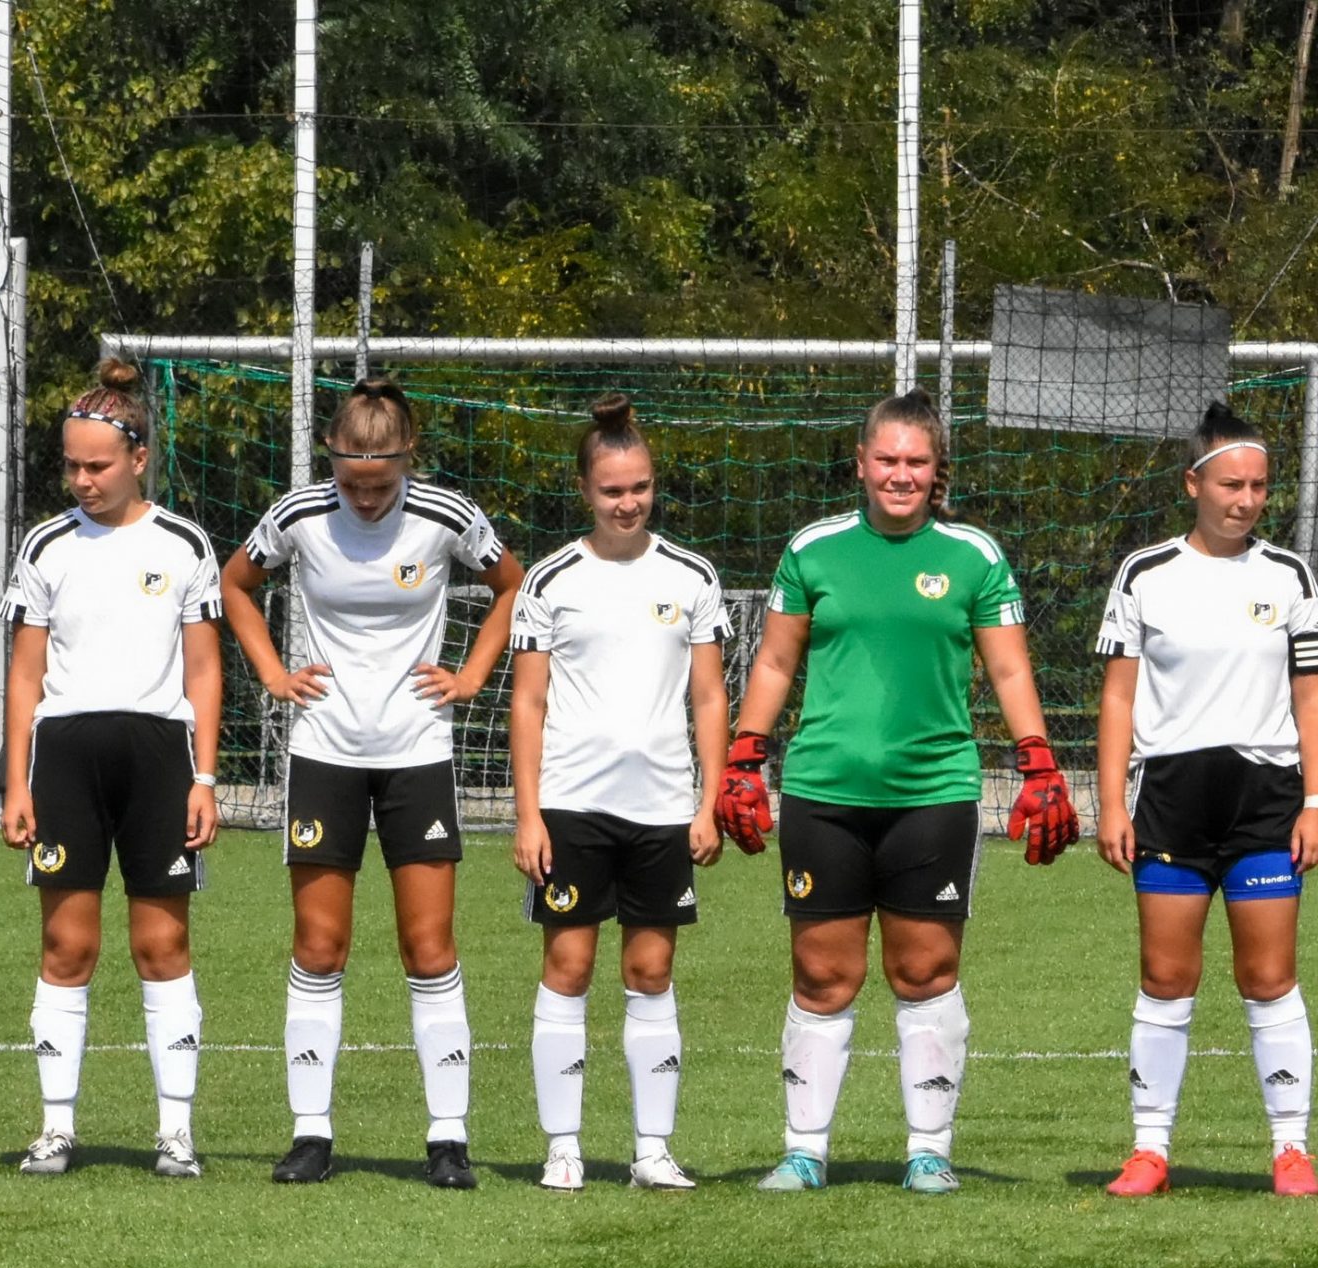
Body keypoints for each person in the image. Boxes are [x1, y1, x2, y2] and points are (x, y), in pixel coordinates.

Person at [719, 388, 1077, 1194]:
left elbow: (1008, 667)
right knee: (822, 973)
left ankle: (929, 1150)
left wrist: (1039, 760)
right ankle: (804, 1150)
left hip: (934, 790)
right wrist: (744, 755)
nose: (901, 474)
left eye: (917, 461)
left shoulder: (974, 556)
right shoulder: (812, 550)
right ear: (861, 463)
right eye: (887, 459)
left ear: (936, 467)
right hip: (824, 789)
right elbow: (775, 660)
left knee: (926, 970)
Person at [219, 376, 524, 1190]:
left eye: (379, 484)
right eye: (351, 481)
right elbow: (234, 584)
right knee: (320, 946)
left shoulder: (446, 515)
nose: (363, 497)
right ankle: (311, 1133)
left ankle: (448, 1138)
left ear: (406, 460)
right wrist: (274, 672)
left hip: (417, 750)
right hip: (324, 751)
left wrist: (471, 676)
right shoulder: (298, 515)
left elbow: (512, 585)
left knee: (429, 947)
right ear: (332, 460)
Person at [0, 358, 223, 1178]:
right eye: (71, 466)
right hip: (64, 759)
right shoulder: (46, 545)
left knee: (163, 943)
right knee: (67, 943)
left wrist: (205, 779)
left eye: (97, 465)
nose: (82, 481)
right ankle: (57, 1127)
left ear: (138, 458)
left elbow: (204, 667)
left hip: (161, 759)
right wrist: (15, 781)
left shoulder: (184, 543)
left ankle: (175, 1133)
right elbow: (25, 673)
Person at [1095, 402, 1318, 1197]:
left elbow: (1309, 696)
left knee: (1270, 975)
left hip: (1265, 802)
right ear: (1194, 483)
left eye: (1258, 485)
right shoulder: (1144, 573)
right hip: (1171, 801)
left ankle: (1291, 1149)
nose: (1246, 500)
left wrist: (1315, 801)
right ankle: (1149, 1150)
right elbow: (1118, 697)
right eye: (1231, 484)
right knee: (1165, 975)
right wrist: (1111, 802)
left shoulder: (1290, 576)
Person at [506, 395, 728, 1192]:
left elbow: (709, 696)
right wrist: (528, 814)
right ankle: (562, 1146)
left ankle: (652, 1149)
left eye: (640, 487)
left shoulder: (692, 575)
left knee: (652, 969)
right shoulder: (550, 579)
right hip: (571, 806)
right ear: (584, 489)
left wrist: (708, 801)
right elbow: (527, 701)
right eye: (611, 490)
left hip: (663, 807)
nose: (628, 503)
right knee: (568, 965)